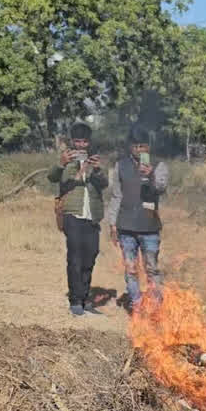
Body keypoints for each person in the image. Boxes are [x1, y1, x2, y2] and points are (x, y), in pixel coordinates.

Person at [106, 125, 169, 312]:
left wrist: (150, 175)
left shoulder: (159, 165)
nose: (139, 150)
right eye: (135, 146)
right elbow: (116, 195)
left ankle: (155, 307)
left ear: (148, 147)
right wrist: (112, 223)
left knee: (151, 269)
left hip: (149, 226)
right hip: (126, 226)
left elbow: (161, 188)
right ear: (129, 147)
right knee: (131, 269)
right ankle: (137, 304)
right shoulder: (120, 165)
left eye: (143, 146)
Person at [49, 122, 107, 316]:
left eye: (85, 141)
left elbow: (104, 184)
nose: (81, 145)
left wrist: (97, 169)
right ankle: (75, 300)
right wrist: (61, 163)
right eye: (78, 141)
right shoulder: (66, 160)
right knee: (75, 258)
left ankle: (85, 298)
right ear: (72, 142)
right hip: (72, 215)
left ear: (89, 142)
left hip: (92, 216)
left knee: (90, 256)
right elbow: (51, 177)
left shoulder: (94, 161)